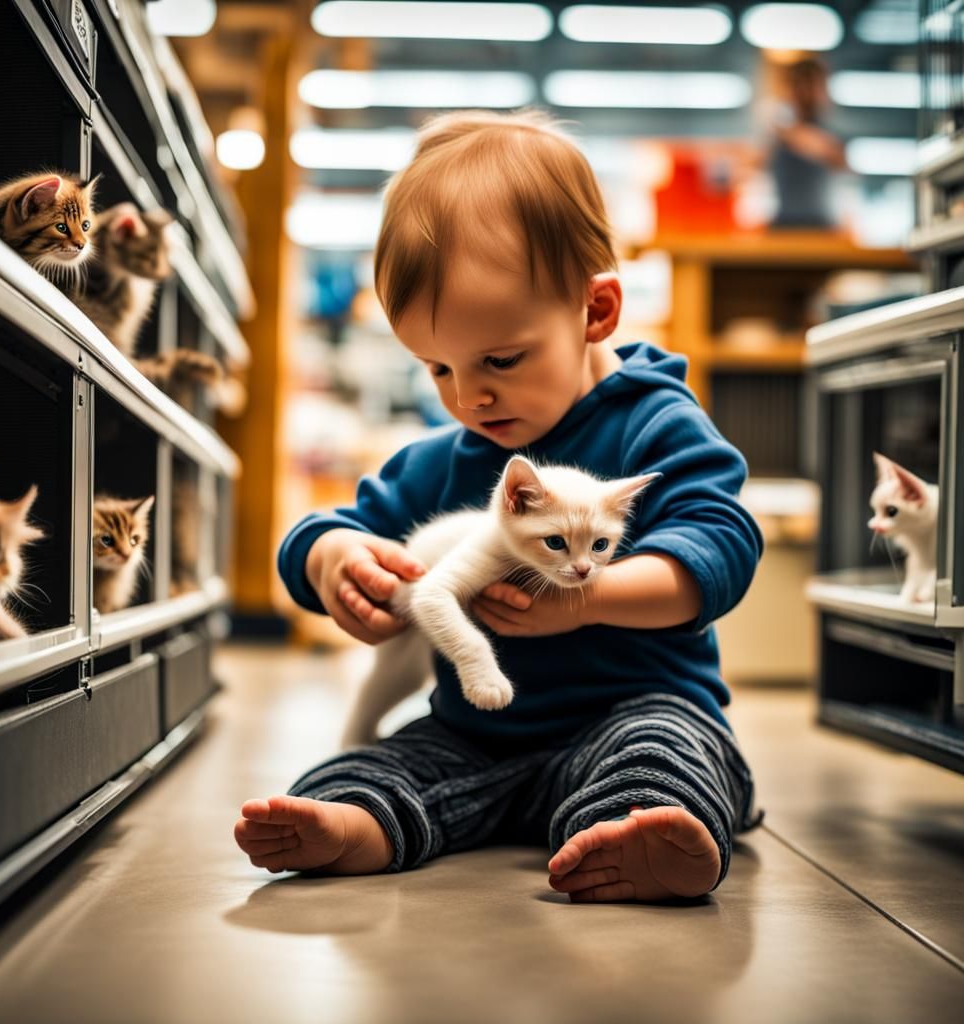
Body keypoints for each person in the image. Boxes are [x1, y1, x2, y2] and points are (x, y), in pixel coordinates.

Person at [234, 110, 763, 902]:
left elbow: (720, 547)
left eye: (500, 360)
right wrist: (335, 564)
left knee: (666, 751)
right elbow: (327, 529)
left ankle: (651, 832)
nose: (469, 397)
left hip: (633, 711)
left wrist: (587, 600)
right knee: (383, 763)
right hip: (476, 735)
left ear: (596, 312)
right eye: (437, 368)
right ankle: (348, 825)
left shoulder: (655, 423)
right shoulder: (448, 458)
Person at [767, 57, 847, 229]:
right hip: (783, 224)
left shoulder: (831, 135)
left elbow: (837, 160)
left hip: (820, 225)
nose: (804, 92)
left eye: (810, 85)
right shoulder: (778, 136)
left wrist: (787, 132)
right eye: (797, 85)